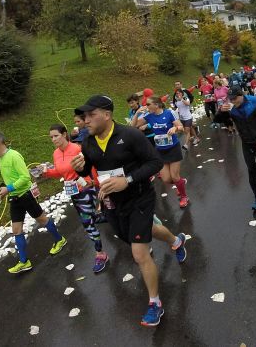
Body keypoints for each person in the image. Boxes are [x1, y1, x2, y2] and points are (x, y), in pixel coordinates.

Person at [71, 95, 183, 327]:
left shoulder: (130, 135)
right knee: (137, 234)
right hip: (113, 202)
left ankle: (155, 303)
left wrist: (128, 180)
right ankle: (175, 240)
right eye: (84, 116)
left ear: (107, 115)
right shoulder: (88, 142)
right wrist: (81, 170)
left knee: (139, 252)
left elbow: (154, 163)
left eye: (91, 115)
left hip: (139, 196)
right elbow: (90, 170)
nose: (86, 120)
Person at [0, 130, 67, 274]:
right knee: (16, 230)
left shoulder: (13, 156)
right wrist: (4, 190)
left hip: (25, 196)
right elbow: (12, 177)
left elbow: (25, 178)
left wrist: (9, 188)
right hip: (14, 198)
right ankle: (24, 262)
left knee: (42, 220)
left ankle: (59, 239)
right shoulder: (0, 158)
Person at [42, 124, 109, 273]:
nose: (53, 139)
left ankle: (100, 254)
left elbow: (91, 169)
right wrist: (46, 173)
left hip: (86, 188)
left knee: (87, 223)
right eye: (51, 137)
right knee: (90, 217)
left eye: (56, 136)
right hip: (73, 191)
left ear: (65, 134)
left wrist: (98, 185)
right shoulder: (56, 154)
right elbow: (61, 172)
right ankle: (104, 216)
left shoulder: (78, 149)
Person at [214, 86, 256, 210]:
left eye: (235, 98)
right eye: (231, 99)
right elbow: (217, 120)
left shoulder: (254, 101)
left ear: (241, 95)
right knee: (251, 169)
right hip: (247, 141)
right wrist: (220, 111)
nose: (233, 101)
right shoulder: (230, 108)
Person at [134, 97, 190, 208]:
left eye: (148, 104)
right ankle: (181, 183)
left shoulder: (169, 113)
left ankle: (184, 197)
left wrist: (175, 129)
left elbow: (181, 127)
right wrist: (136, 113)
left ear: (157, 105)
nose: (146, 106)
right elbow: (133, 126)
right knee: (166, 179)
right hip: (160, 150)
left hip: (173, 148)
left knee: (174, 176)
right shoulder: (149, 116)